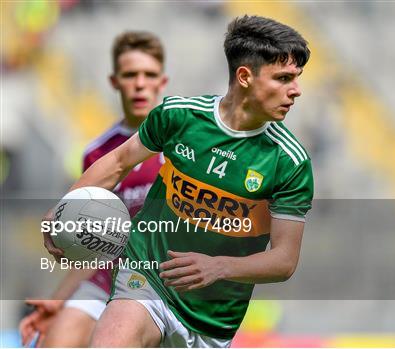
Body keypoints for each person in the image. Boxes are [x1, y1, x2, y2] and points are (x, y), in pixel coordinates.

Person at [43, 15, 313, 348]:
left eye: (296, 78)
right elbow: (117, 161)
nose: (296, 90)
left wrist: (219, 267)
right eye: (283, 78)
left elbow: (284, 260)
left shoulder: (290, 161)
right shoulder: (180, 116)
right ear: (245, 76)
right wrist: (64, 208)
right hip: (147, 277)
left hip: (211, 319)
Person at [21, 31, 168, 347]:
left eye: (149, 75)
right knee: (55, 342)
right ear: (114, 81)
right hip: (109, 278)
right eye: (130, 75)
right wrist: (58, 301)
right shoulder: (97, 153)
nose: (140, 84)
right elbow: (95, 246)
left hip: (167, 283)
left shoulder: (183, 143)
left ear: (162, 82)